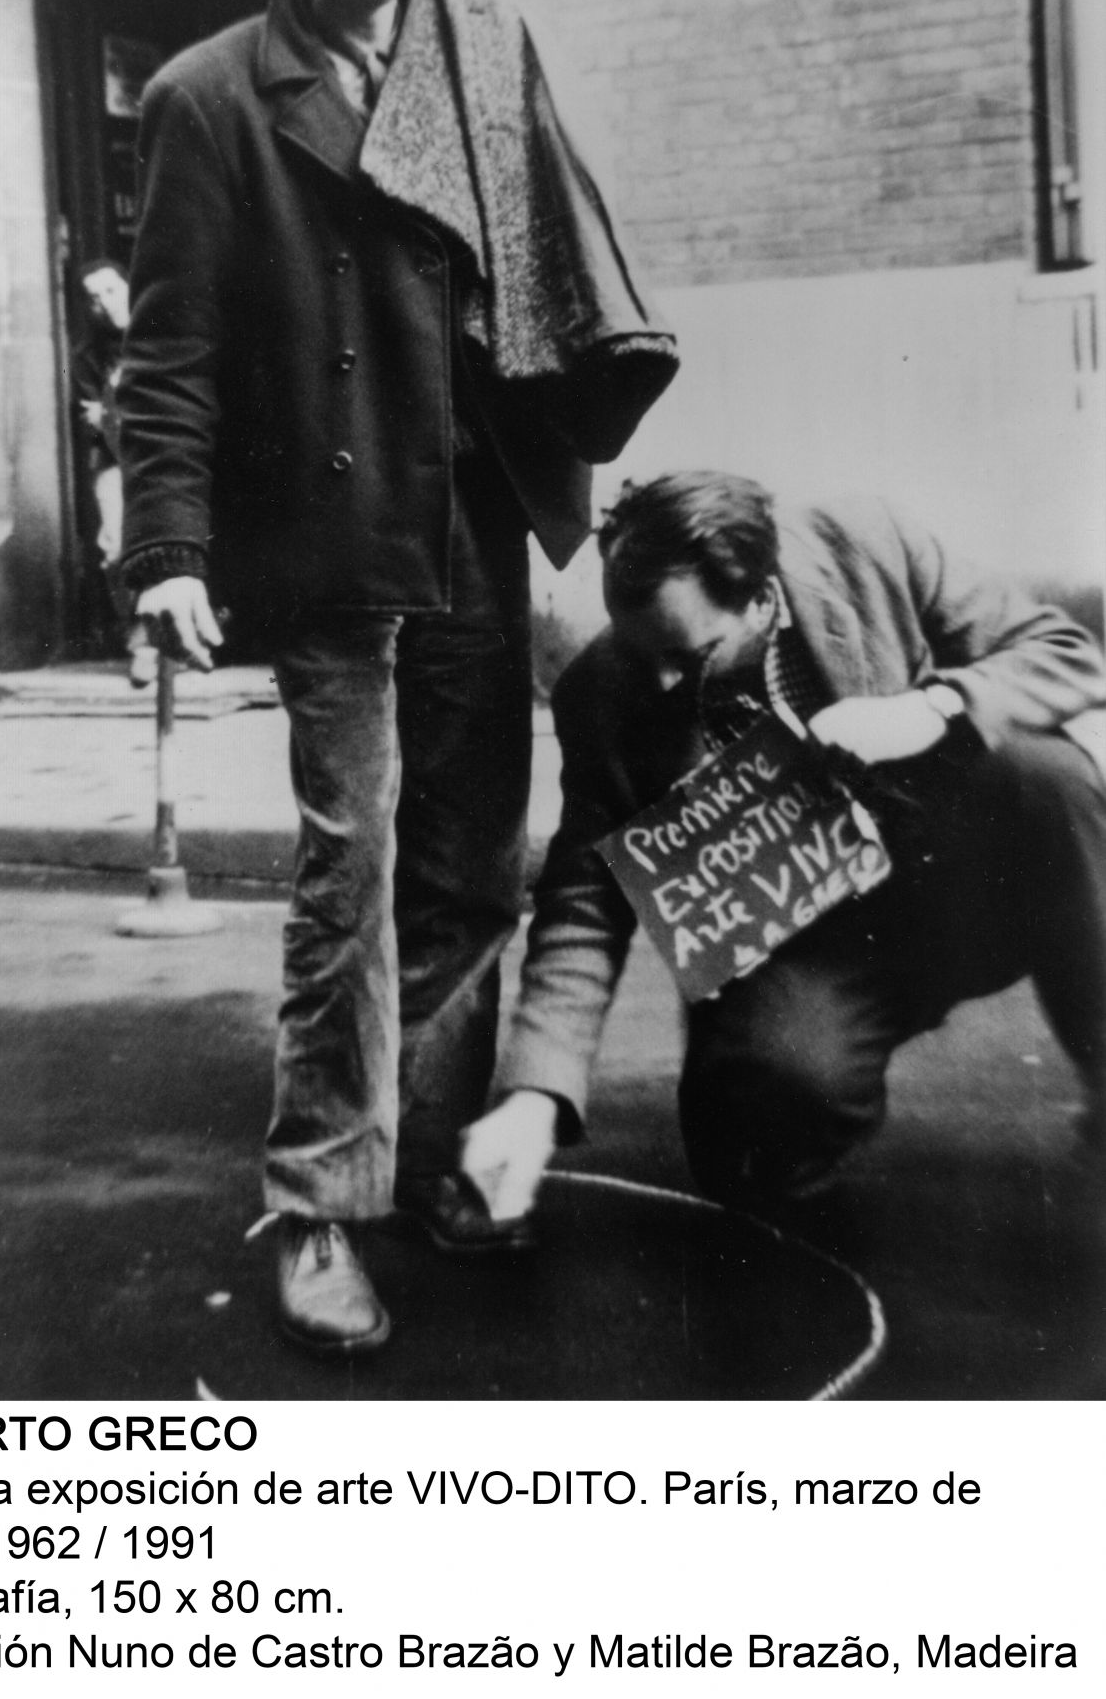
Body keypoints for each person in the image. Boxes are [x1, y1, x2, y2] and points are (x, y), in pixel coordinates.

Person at [115, 0, 679, 1354]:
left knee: (475, 867)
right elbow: (169, 358)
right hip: (329, 539)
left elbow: (551, 261)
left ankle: (422, 1151)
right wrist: (168, 549)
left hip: (472, 524)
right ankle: (316, 1201)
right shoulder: (209, 97)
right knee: (348, 872)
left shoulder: (485, 52)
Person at [463, 470, 1106, 1222]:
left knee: (1048, 776)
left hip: (958, 894)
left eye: (688, 654)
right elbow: (584, 900)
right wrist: (535, 1097)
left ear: (764, 601)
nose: (662, 683)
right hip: (806, 947)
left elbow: (1067, 653)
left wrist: (934, 709)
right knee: (758, 1137)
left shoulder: (867, 543)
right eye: (640, 655)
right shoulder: (601, 694)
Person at [71, 259, 157, 688]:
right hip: (115, 459)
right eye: (94, 298)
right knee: (118, 546)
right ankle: (142, 642)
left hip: (165, 456)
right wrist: (117, 413)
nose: (104, 303)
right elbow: (99, 422)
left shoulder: (158, 338)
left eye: (111, 291)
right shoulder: (87, 358)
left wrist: (115, 410)